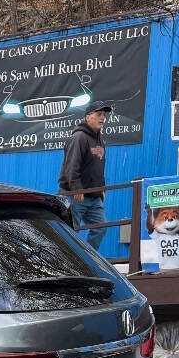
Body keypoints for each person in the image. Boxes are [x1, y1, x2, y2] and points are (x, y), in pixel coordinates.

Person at [59, 104, 112, 251]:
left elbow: (98, 168)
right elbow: (72, 165)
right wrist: (76, 188)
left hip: (94, 197)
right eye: (98, 114)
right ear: (87, 117)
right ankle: (70, 262)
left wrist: (102, 189)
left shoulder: (100, 140)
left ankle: (87, 259)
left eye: (104, 115)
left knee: (101, 227)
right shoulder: (79, 137)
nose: (102, 117)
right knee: (71, 231)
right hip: (76, 196)